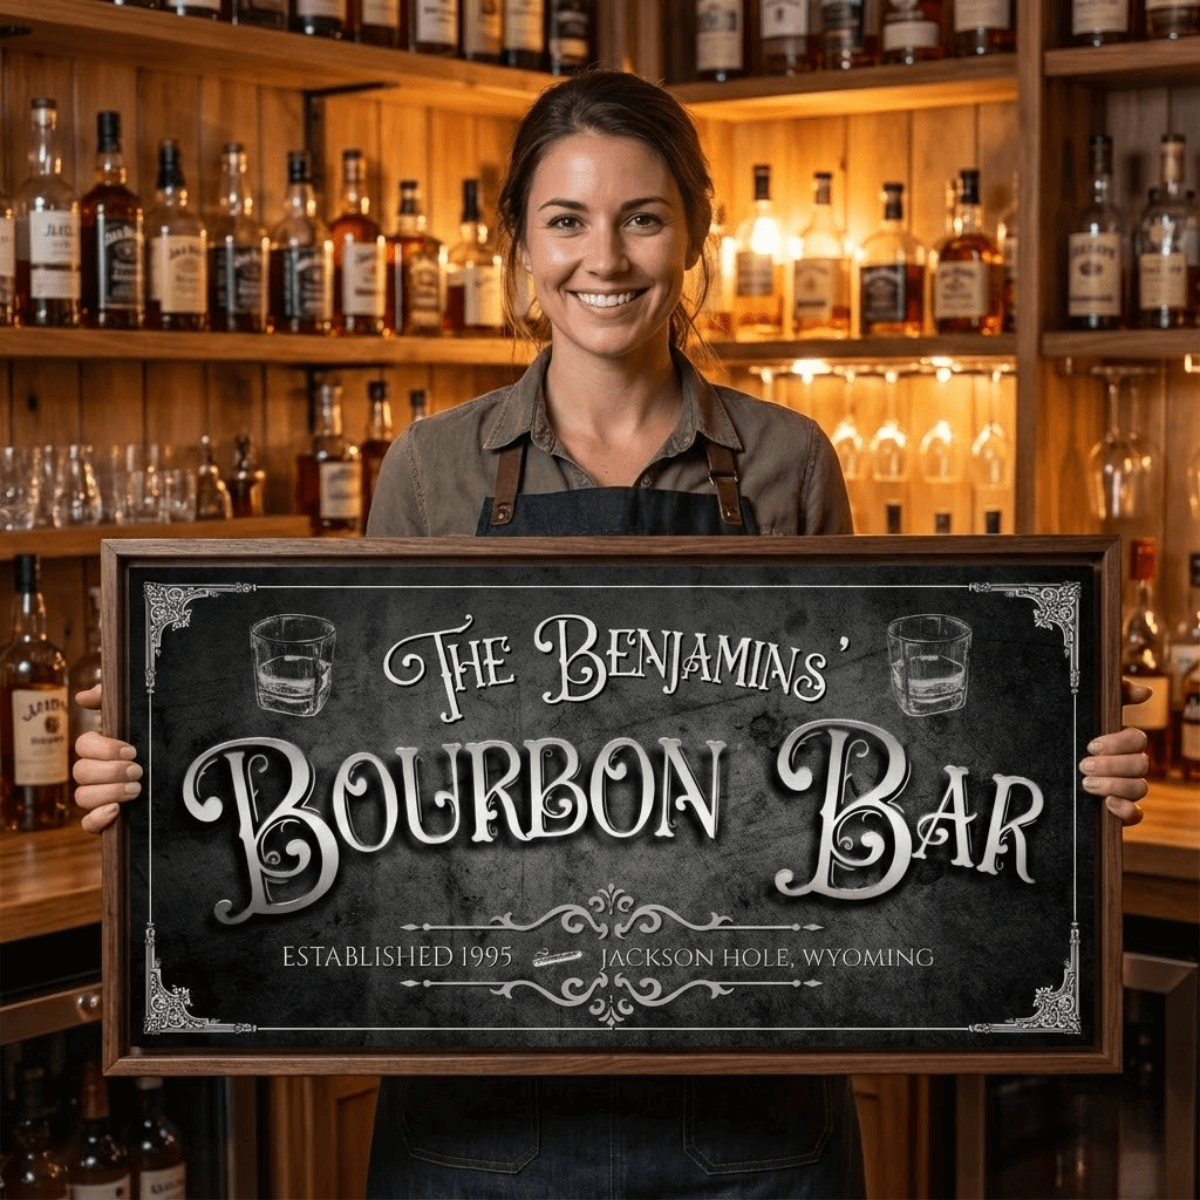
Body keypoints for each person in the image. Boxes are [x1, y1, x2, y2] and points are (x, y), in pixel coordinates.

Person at [75, 70, 1152, 1200]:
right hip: (477, 1101)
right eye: (567, 221)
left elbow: (873, 754)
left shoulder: (787, 463)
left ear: (693, 232)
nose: (607, 258)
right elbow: (338, 757)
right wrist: (156, 772)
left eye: (642, 217)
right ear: (520, 244)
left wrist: (1061, 756)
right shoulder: (435, 470)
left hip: (754, 1099)